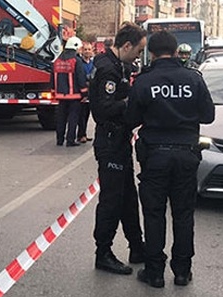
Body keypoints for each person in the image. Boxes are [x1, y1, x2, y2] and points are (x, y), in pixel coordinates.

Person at [126, 31, 215, 288]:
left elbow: (131, 119)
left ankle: (154, 272)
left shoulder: (144, 81)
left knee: (154, 214)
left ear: (151, 53)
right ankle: (182, 272)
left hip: (155, 156)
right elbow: (208, 115)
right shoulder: (193, 79)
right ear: (176, 51)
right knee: (183, 214)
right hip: (187, 155)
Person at [89, 23, 147, 275]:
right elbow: (103, 109)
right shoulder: (107, 69)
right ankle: (103, 252)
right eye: (137, 51)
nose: (138, 57)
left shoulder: (119, 66)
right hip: (110, 141)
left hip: (120, 140)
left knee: (128, 198)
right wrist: (132, 100)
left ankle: (136, 245)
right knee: (112, 200)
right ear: (126, 46)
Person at [51, 36, 88, 147]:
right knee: (73, 118)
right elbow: (81, 78)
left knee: (61, 118)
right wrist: (85, 93)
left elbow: (52, 78)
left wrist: (53, 91)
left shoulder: (57, 60)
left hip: (60, 96)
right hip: (74, 96)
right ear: (75, 46)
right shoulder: (76, 61)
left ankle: (59, 139)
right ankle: (70, 140)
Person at [77, 42, 95, 143]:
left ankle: (84, 134)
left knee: (87, 115)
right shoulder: (79, 63)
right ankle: (81, 135)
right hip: (82, 92)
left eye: (89, 49)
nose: (87, 51)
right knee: (81, 115)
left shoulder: (93, 63)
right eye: (85, 49)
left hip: (91, 92)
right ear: (82, 51)